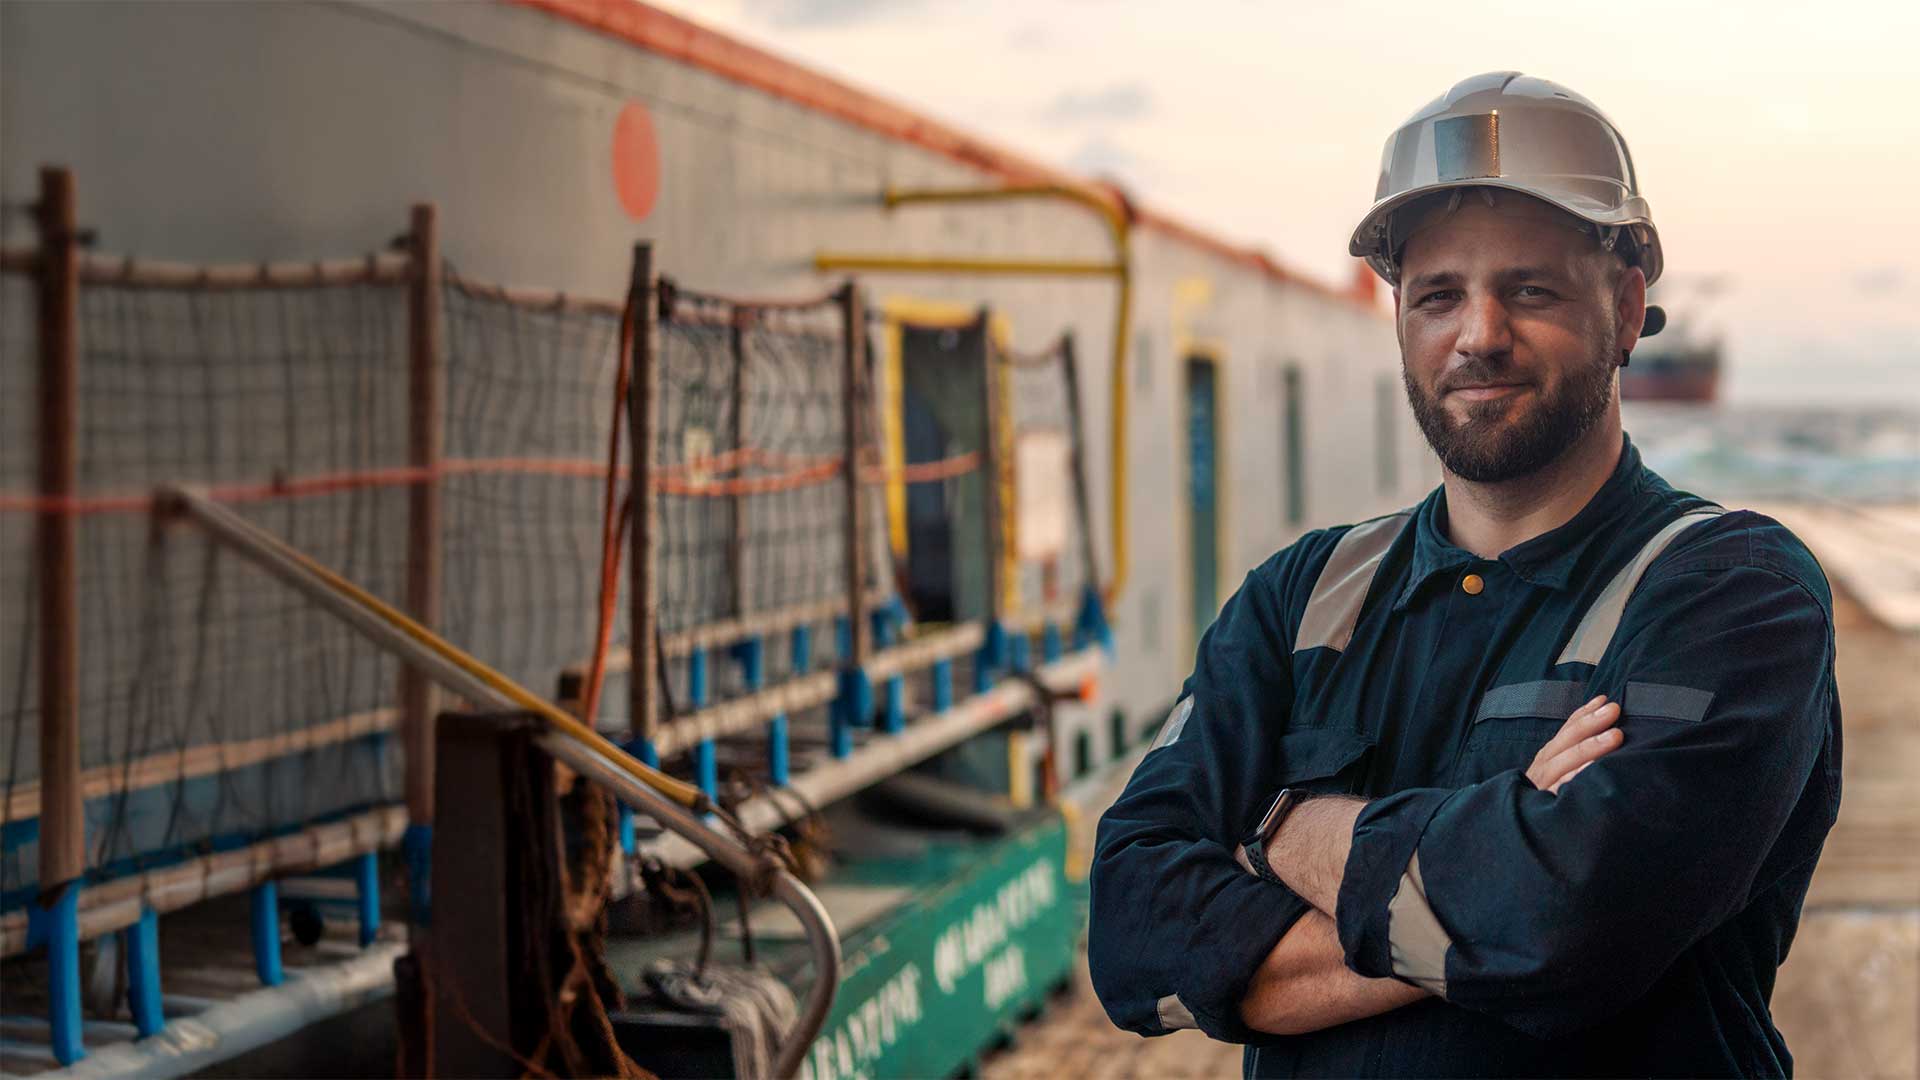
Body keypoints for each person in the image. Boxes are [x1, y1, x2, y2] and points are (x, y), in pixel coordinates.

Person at [1088, 72, 1841, 1078]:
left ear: (1624, 309)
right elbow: (1135, 932)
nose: (1479, 335)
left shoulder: (1733, 594)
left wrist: (1273, 827)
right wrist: (1493, 860)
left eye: (1529, 289)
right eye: (1439, 295)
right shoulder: (1300, 598)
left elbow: (1569, 930)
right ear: (1400, 318)